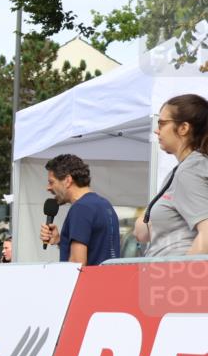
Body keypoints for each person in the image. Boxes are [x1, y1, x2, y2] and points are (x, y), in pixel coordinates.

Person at [134, 93, 208, 257]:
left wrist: (185, 277)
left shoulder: (190, 170)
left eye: (162, 124)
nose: (156, 130)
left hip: (176, 277)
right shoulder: (185, 169)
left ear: (183, 128)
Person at [39, 154, 120, 265]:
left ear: (67, 180)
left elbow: (77, 263)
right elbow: (97, 250)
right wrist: (60, 241)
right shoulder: (105, 204)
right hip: (107, 279)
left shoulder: (81, 208)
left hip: (89, 282)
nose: (48, 187)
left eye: (51, 182)